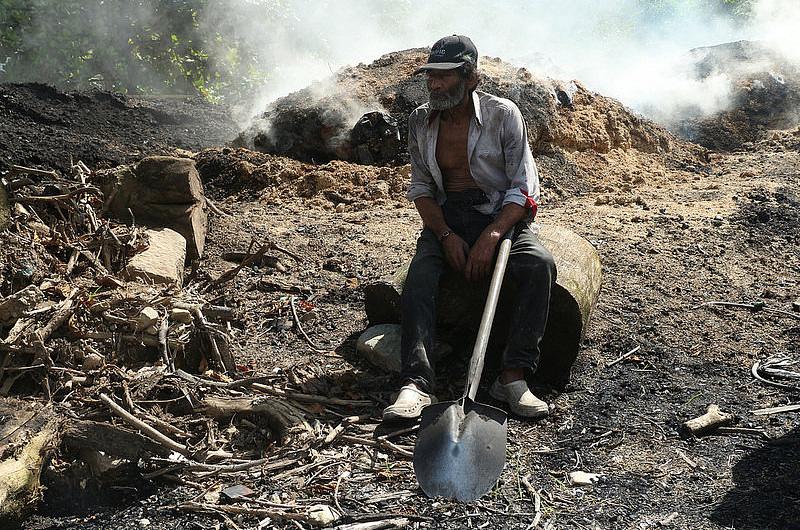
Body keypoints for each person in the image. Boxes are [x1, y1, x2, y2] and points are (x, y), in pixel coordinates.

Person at [382, 35, 557, 421]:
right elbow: (422, 189)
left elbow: (523, 187)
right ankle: (415, 385)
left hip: (499, 213)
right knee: (421, 279)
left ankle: (512, 377)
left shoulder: (504, 114)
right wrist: (444, 235)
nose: (434, 84)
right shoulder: (419, 122)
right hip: (446, 217)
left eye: (444, 76)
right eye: (432, 75)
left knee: (539, 265)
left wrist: (492, 235)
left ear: (471, 78)